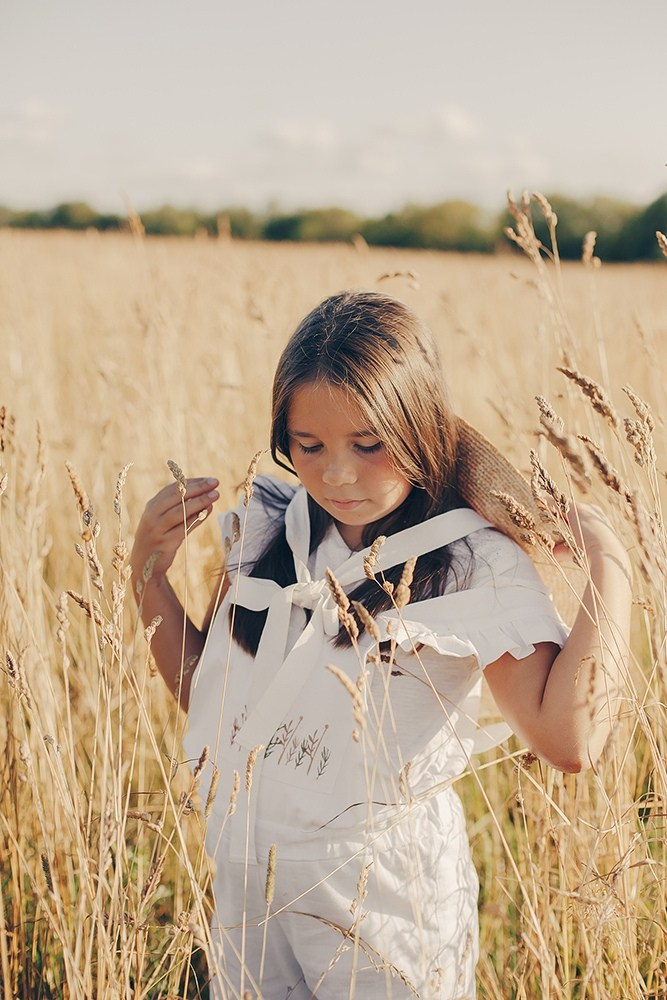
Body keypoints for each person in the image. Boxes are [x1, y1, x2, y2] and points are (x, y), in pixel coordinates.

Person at [130, 291, 632, 1000]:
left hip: (381, 896)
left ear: (420, 429)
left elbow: (567, 739)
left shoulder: (466, 562)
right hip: (247, 868)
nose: (336, 474)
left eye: (369, 445)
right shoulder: (274, 529)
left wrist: (610, 562)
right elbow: (216, 704)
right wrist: (147, 571)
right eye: (309, 446)